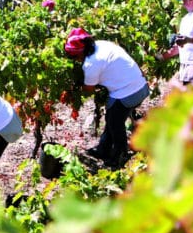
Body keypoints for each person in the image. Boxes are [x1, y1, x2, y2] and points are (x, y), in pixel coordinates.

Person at [64, 28, 150, 168]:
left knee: (115, 125)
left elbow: (88, 89)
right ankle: (103, 149)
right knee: (111, 119)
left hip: (128, 93)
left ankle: (119, 157)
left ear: (81, 52)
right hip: (139, 86)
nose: (76, 60)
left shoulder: (91, 64)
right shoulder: (101, 44)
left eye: (75, 56)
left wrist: (75, 87)